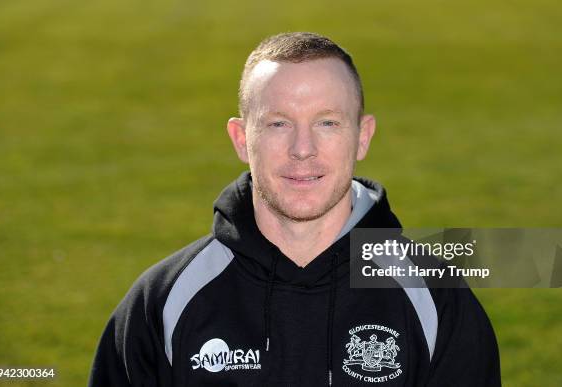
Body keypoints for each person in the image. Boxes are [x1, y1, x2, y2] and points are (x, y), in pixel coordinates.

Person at [89, 32, 500, 386]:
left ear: (363, 136)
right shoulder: (163, 300)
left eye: (327, 122)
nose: (302, 149)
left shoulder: (435, 297)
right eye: (278, 123)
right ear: (241, 139)